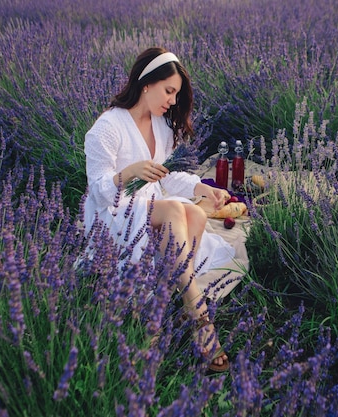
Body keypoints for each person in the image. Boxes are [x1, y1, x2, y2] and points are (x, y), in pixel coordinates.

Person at [83, 47, 232, 372]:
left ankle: (168, 292)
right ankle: (197, 312)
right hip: (113, 214)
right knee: (178, 213)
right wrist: (130, 172)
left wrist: (200, 187)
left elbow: (166, 174)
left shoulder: (161, 127)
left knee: (193, 212)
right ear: (146, 83)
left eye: (177, 94)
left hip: (149, 206)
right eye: (169, 91)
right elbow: (98, 192)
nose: (173, 101)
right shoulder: (106, 128)